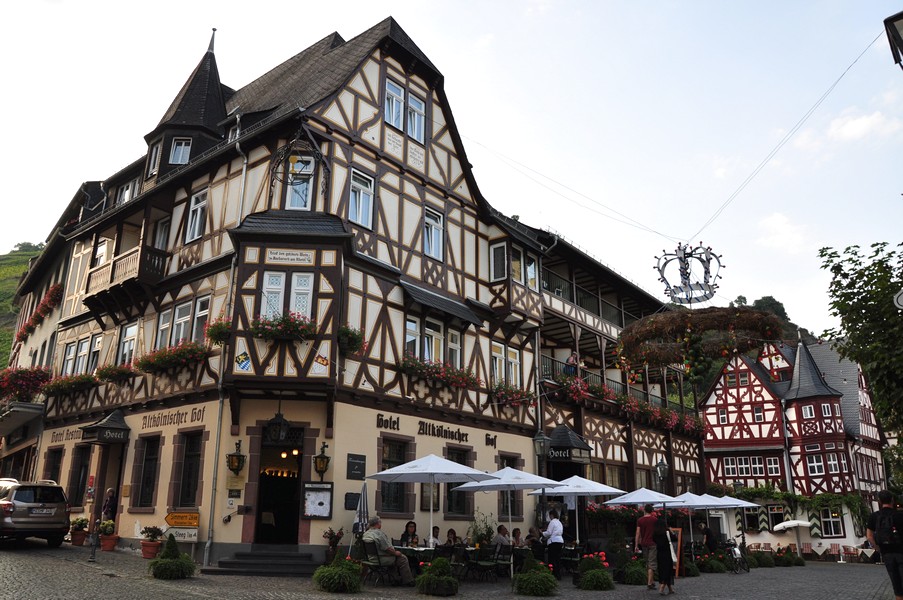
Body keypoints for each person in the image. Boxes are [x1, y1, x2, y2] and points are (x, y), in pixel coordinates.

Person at [867, 490, 903, 599]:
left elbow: (869, 536)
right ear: (892, 500)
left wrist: (878, 548)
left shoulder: (874, 516)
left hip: (886, 553)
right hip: (901, 551)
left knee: (897, 586)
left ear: (879, 501)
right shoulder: (899, 515)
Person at [362, 516, 415, 586]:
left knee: (394, 558)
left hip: (371, 558)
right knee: (402, 558)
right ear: (378, 524)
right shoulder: (379, 534)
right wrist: (396, 553)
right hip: (381, 559)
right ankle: (408, 581)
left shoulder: (366, 534)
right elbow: (387, 548)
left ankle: (395, 579)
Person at [635, 503, 658, 590]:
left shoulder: (640, 520)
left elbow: (637, 533)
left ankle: (651, 582)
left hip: (644, 543)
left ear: (644, 510)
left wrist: (636, 545)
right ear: (652, 511)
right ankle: (649, 583)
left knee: (648, 562)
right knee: (652, 563)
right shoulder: (655, 520)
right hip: (653, 543)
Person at [652, 518, 675, 595]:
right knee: (667, 571)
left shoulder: (655, 534)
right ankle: (661, 588)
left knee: (662, 570)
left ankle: (670, 589)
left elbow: (654, 541)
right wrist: (671, 531)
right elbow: (675, 538)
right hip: (667, 554)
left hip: (659, 554)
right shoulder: (666, 533)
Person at [542, 509, 564, 580]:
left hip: (553, 541)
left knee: (552, 559)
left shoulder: (552, 522)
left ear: (551, 515)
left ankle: (553, 574)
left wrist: (542, 533)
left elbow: (549, 533)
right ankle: (558, 575)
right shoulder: (559, 523)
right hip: (560, 541)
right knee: (557, 559)